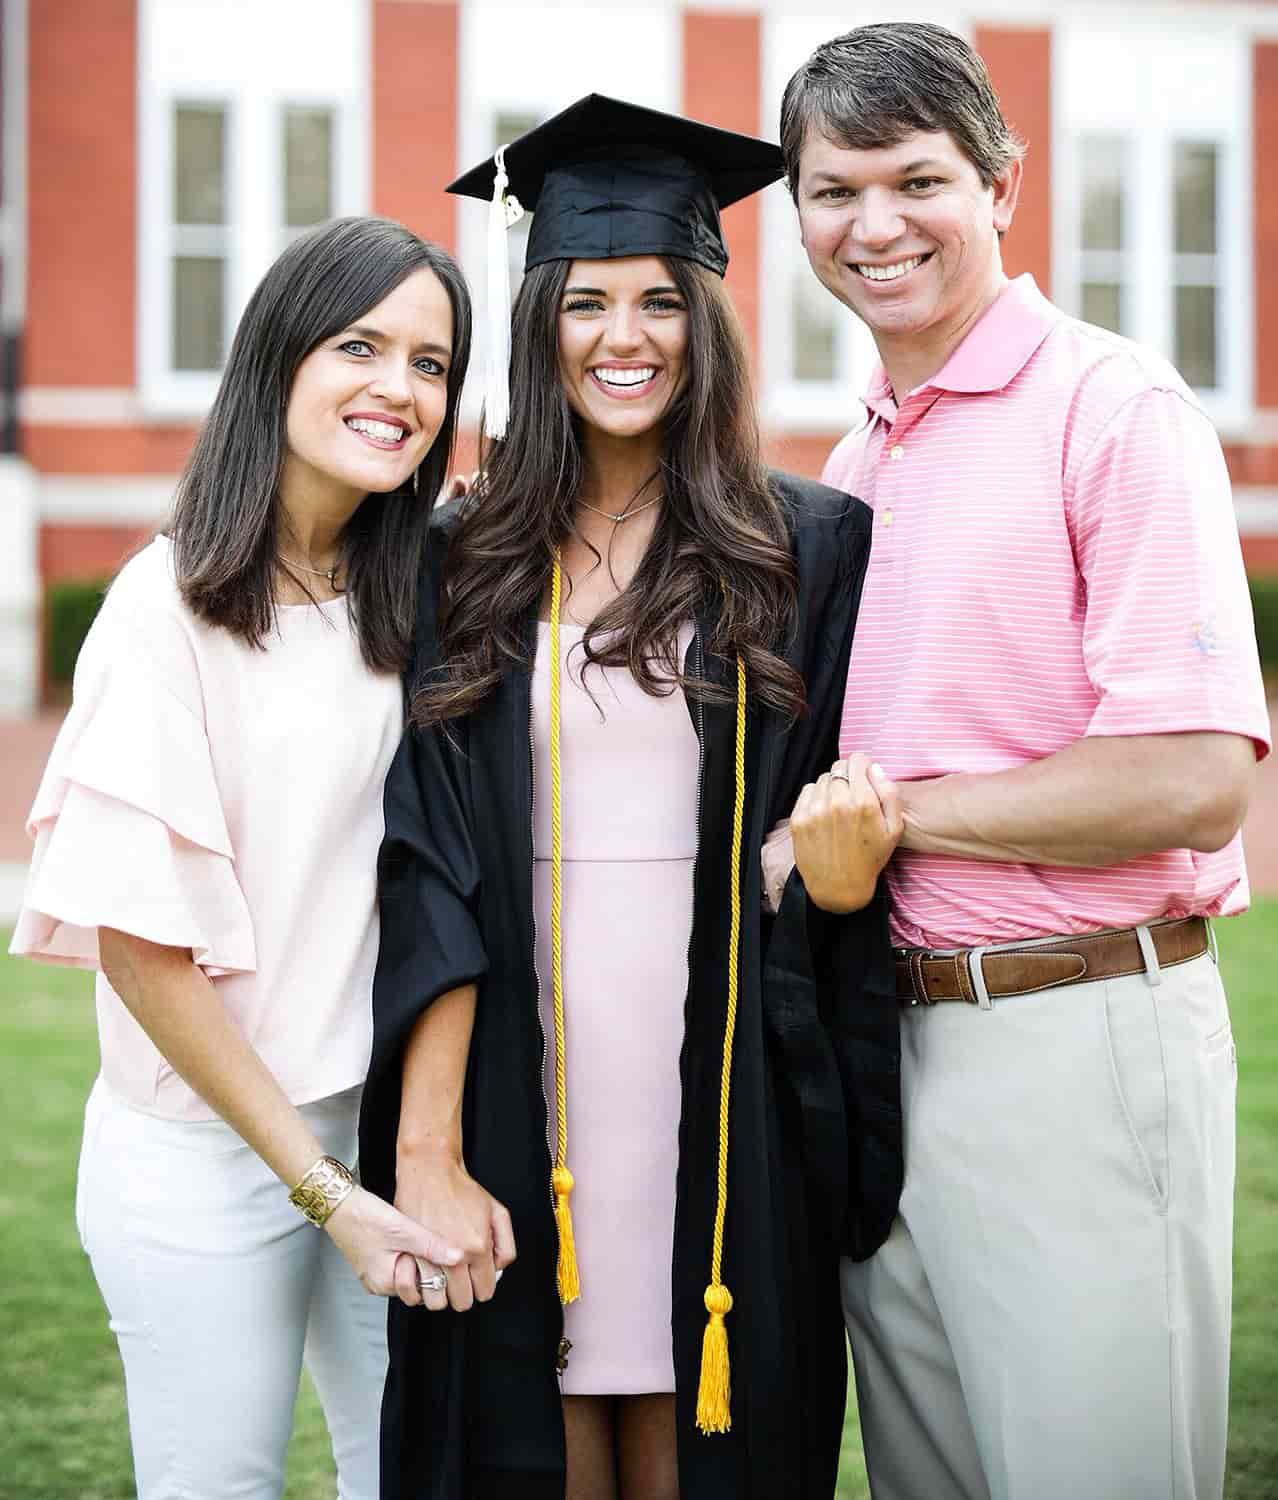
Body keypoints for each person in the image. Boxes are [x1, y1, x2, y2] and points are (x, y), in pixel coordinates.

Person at [357, 95, 903, 1500]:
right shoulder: (453, 556)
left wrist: (823, 877)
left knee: (703, 1420)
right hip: (513, 1071)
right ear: (538, 322)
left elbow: (836, 814)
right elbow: (423, 858)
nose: (625, 337)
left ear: (705, 316)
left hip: (719, 1057)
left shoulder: (806, 547)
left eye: (661, 300)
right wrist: (426, 1144)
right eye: (585, 301)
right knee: (526, 1439)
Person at [775, 22, 1272, 1500]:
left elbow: (1190, 776)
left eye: (915, 179)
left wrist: (878, 825)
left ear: (999, 183)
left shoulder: (1109, 411)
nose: (874, 225)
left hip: (1074, 1033)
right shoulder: (859, 458)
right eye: (832, 189)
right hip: (891, 1053)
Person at [10, 216, 474, 1500]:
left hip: (382, 1133)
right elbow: (143, 951)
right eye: (359, 346)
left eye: (433, 365)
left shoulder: (417, 592)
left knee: (420, 1478)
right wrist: (324, 1190)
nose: (399, 389)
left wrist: (395, 1162)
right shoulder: (165, 613)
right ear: (277, 358)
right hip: (205, 1158)